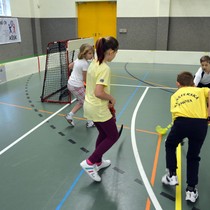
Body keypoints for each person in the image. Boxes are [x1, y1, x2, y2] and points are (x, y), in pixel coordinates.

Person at [161, 71, 210, 203]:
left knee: (170, 144)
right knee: (193, 156)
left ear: (178, 84)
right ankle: (191, 190)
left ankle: (171, 174)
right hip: (200, 124)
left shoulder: (174, 96)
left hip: (180, 123)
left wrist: (179, 135)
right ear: (193, 83)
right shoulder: (201, 90)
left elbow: (175, 117)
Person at [80, 36, 120, 182]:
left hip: (89, 106)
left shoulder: (94, 63)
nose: (115, 55)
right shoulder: (104, 69)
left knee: (103, 134)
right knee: (113, 136)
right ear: (110, 51)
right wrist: (111, 98)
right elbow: (99, 92)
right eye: (116, 52)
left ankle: (98, 162)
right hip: (98, 108)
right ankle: (90, 162)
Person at [65, 43, 95, 128]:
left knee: (81, 101)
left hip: (70, 83)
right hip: (76, 86)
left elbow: (69, 66)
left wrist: (76, 71)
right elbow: (85, 79)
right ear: (83, 53)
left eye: (92, 53)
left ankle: (69, 116)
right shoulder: (85, 64)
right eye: (89, 53)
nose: (91, 55)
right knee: (87, 102)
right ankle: (90, 122)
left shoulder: (78, 59)